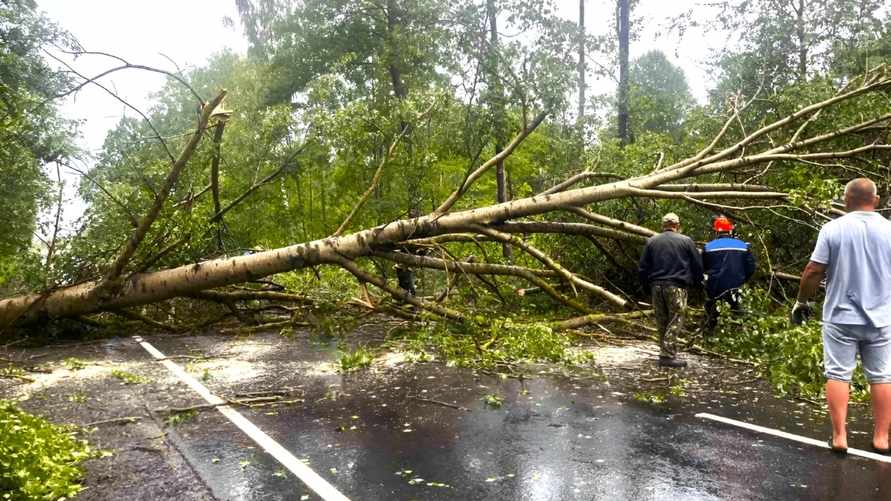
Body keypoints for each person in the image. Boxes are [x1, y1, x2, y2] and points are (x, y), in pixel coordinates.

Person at [792, 178, 891, 455]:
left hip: (840, 317)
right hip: (882, 317)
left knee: (838, 374)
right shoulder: (889, 230)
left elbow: (813, 270)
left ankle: (839, 436)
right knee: (882, 376)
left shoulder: (833, 229)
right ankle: (882, 438)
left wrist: (802, 301)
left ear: (846, 201)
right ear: (877, 200)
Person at [639, 212, 704, 368]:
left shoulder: (651, 241)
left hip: (656, 285)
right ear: (677, 225)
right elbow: (697, 265)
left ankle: (666, 352)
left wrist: (645, 286)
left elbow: (642, 268)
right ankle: (667, 356)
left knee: (662, 320)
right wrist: (697, 282)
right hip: (676, 286)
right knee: (675, 319)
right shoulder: (686, 241)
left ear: (663, 225)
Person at [702, 215, 756, 333]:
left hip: (715, 287)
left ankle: (709, 337)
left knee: (711, 314)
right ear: (730, 230)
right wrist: (743, 279)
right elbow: (751, 268)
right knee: (739, 314)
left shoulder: (708, 247)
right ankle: (740, 336)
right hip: (737, 286)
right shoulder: (743, 246)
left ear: (716, 231)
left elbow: (704, 267)